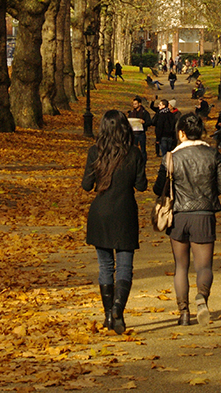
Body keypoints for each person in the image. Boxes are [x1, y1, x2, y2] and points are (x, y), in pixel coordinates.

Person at [153, 112, 221, 327]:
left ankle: (183, 313)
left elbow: (157, 188)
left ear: (181, 133)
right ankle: (202, 299)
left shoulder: (171, 157)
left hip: (178, 216)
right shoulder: (213, 155)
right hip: (204, 216)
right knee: (204, 267)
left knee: (181, 266)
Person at [82, 111, 148, 334]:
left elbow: (86, 185)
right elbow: (141, 186)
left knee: (105, 266)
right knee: (124, 266)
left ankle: (109, 314)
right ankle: (119, 308)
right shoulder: (134, 153)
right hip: (125, 212)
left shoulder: (95, 152)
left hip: (100, 213)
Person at [127, 95, 152, 164]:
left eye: (135, 104)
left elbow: (149, 122)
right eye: (133, 104)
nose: (134, 105)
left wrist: (144, 122)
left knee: (143, 148)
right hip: (133, 133)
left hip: (141, 133)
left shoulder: (145, 113)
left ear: (139, 104)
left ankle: (143, 161)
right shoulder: (131, 113)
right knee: (133, 148)